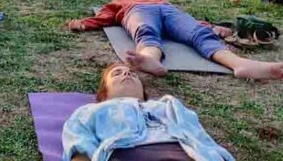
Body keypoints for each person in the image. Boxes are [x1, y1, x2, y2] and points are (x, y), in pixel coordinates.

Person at [67, 0, 283, 80]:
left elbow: (190, 21)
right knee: (146, 32)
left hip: (168, 10)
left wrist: (212, 27)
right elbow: (104, 16)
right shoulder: (123, 1)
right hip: (138, 12)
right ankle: (149, 60)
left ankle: (238, 64)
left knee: (198, 34)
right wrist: (83, 23)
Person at [62, 63, 234, 161]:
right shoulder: (89, 111)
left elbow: (202, 139)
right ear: (103, 93)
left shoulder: (169, 105)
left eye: (132, 74)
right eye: (117, 73)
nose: (127, 73)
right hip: (128, 154)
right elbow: (79, 147)